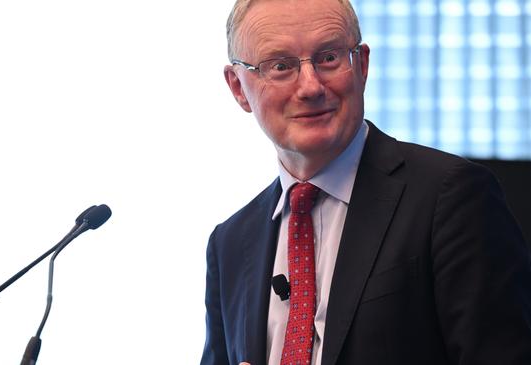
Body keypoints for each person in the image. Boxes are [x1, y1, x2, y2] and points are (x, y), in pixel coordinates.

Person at [200, 0, 531, 364]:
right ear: (238, 87)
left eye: (329, 57)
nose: (310, 86)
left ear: (363, 65)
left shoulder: (452, 198)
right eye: (280, 66)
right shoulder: (229, 244)